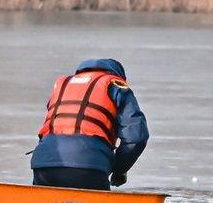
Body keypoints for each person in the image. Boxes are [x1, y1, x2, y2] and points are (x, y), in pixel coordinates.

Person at [30, 57, 148, 190]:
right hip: (90, 166)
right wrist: (119, 169)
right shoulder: (115, 85)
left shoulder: (63, 84)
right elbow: (136, 138)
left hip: (44, 165)